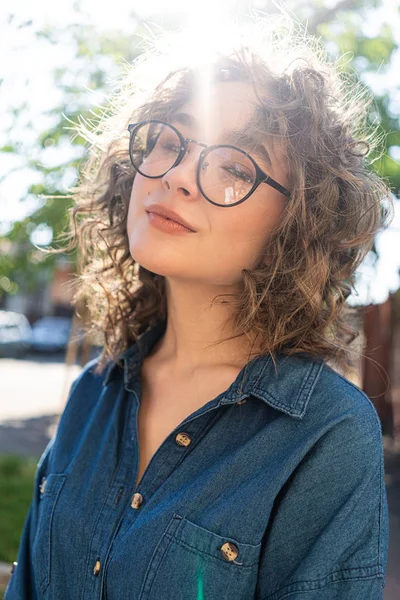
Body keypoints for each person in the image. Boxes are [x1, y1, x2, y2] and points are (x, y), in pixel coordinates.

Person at [5, 15, 393, 600]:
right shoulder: (93, 391)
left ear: (297, 223)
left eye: (234, 168)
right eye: (169, 142)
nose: (181, 175)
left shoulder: (326, 434)